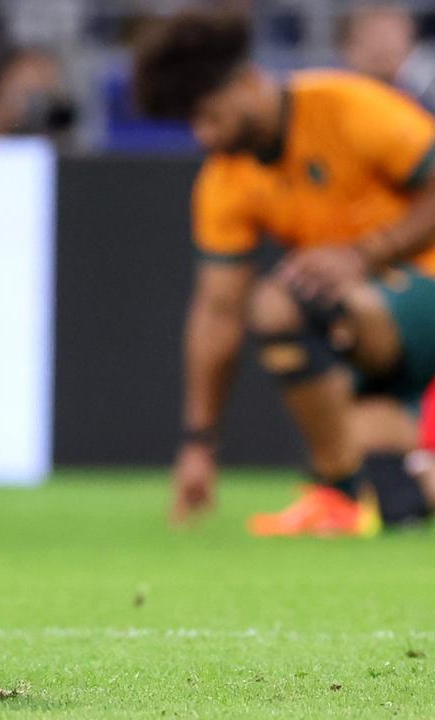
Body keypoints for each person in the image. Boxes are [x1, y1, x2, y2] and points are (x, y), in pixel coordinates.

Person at [133, 10, 435, 536]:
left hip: (419, 286)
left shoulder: (347, 106)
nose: (204, 135)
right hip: (370, 328)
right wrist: (199, 444)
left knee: (282, 302)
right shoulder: (225, 180)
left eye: (210, 115)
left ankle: (336, 491)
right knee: (393, 501)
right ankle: (367, 490)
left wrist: (366, 253)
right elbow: (218, 312)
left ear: (248, 83)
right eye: (192, 124)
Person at [337, 3, 435, 111]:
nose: (383, 46)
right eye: (372, 35)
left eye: (390, 35)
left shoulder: (421, 104)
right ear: (348, 47)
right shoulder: (333, 103)